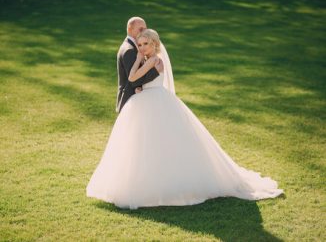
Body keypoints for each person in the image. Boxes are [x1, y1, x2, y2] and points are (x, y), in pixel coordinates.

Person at [86, 29, 283, 209]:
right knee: (144, 144)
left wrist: (138, 59)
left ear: (154, 44)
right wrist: (139, 77)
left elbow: (132, 77)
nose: (142, 47)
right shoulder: (148, 59)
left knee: (166, 142)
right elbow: (136, 80)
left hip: (156, 102)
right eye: (140, 44)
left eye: (146, 44)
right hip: (144, 101)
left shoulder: (155, 60)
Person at [116, 17, 163, 113]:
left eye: (145, 29)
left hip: (145, 98)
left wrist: (140, 88)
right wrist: (155, 72)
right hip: (130, 98)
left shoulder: (137, 49)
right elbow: (134, 81)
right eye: (141, 29)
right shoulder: (129, 49)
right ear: (130, 29)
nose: (144, 31)